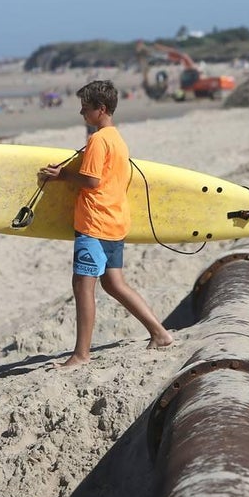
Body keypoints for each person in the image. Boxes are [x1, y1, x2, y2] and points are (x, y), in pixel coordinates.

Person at [38, 80, 173, 367]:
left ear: (101, 109)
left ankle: (81, 355)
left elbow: (92, 180)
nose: (81, 113)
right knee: (114, 284)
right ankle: (160, 333)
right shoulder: (117, 139)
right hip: (115, 221)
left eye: (85, 108)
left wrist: (61, 176)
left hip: (95, 223)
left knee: (82, 286)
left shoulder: (98, 140)